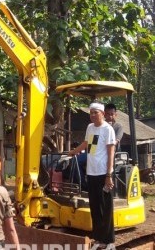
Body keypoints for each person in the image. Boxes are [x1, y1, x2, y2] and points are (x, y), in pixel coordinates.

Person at [69, 102, 116, 248]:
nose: (93, 115)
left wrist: (109, 174)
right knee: (95, 207)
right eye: (91, 113)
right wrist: (73, 152)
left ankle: (108, 239)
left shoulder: (108, 130)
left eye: (95, 112)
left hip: (103, 173)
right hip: (91, 172)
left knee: (105, 207)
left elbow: (111, 153)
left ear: (103, 113)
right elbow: (86, 143)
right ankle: (98, 237)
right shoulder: (90, 128)